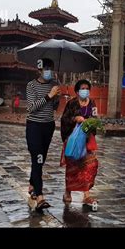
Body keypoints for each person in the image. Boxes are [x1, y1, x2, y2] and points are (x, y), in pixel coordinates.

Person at [25, 58, 60, 211]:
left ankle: (32, 184)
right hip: (34, 126)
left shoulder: (53, 85)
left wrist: (57, 97)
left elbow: (54, 107)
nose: (48, 72)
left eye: (50, 69)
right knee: (37, 158)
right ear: (39, 70)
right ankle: (40, 197)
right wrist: (49, 96)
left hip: (48, 126)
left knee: (41, 159)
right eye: (46, 69)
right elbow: (32, 107)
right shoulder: (31, 85)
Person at [60, 79, 98, 207]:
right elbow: (64, 119)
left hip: (88, 139)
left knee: (89, 165)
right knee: (72, 167)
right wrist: (75, 119)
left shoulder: (92, 103)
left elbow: (95, 117)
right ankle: (68, 192)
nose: (85, 90)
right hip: (74, 139)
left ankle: (86, 195)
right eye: (82, 88)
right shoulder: (71, 103)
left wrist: (91, 123)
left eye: (87, 88)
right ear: (77, 91)